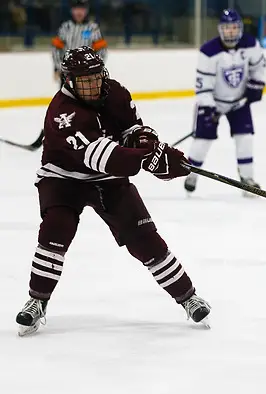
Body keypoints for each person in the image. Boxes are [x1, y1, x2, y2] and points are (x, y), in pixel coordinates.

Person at [15, 46, 211, 337]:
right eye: (85, 80)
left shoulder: (116, 92)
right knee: (56, 230)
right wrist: (147, 158)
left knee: (144, 238)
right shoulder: (62, 114)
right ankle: (37, 300)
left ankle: (188, 296)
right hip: (64, 179)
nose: (93, 85)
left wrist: (151, 146)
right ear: (69, 81)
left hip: (109, 180)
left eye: (96, 77)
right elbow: (106, 158)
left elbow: (133, 129)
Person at [184, 9, 266, 194]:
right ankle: (191, 173)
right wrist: (209, 107)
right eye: (227, 28)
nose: (231, 32)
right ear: (221, 29)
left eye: (234, 28)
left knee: (245, 138)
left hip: (239, 101)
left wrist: (257, 84)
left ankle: (247, 179)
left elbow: (259, 66)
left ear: (240, 28)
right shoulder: (208, 51)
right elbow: (203, 85)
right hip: (214, 102)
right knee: (202, 140)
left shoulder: (251, 44)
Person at [52, 0, 107, 88]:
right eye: (76, 9)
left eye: (82, 9)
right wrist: (57, 67)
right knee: (66, 100)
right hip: (67, 74)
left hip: (87, 75)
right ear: (71, 10)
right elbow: (56, 49)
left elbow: (102, 51)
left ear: (86, 10)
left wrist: (95, 68)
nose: (79, 12)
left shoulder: (93, 28)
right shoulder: (65, 27)